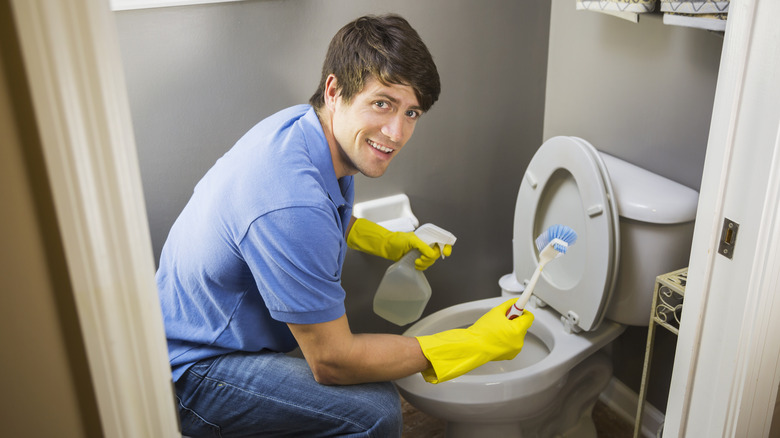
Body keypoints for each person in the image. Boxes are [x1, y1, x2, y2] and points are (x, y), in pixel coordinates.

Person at [157, 14, 534, 437]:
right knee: (374, 410)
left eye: (411, 112)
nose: (396, 132)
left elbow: (321, 212)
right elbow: (333, 361)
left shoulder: (306, 131)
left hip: (201, 330)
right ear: (336, 91)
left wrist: (388, 241)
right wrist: (474, 342)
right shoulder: (288, 197)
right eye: (382, 103)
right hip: (193, 371)